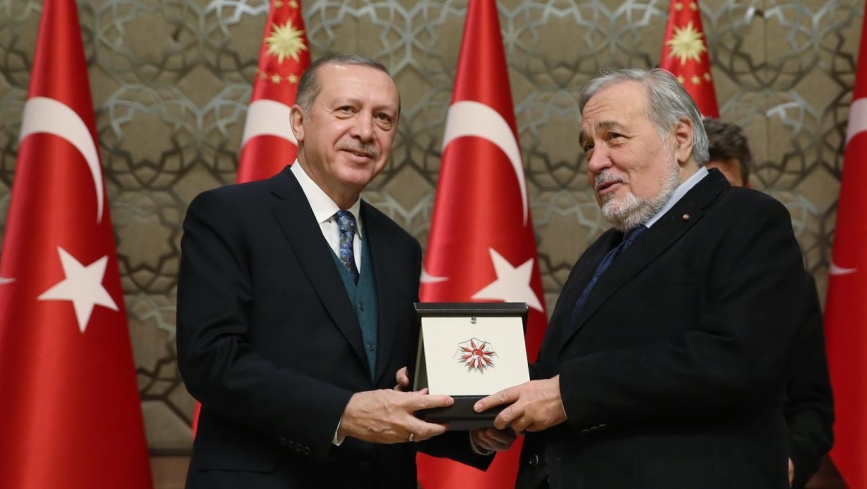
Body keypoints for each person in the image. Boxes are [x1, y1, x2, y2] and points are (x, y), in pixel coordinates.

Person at [176, 54, 506, 489]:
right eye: (347, 110)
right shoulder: (228, 215)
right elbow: (211, 359)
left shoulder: (399, 247)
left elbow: (395, 387)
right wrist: (342, 414)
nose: (366, 131)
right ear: (299, 122)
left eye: (383, 118)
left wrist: (472, 429)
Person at [474, 68, 808, 488]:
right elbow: (563, 371)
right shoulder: (604, 250)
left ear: (680, 138)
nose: (595, 161)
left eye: (614, 137)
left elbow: (735, 358)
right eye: (588, 145)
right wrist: (466, 394)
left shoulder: (748, 218)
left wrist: (570, 394)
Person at [704, 118, 834, 489]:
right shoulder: (643, 277)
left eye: (724, 192)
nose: (710, 209)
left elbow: (812, 408)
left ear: (749, 192)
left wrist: (787, 464)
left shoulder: (790, 286)